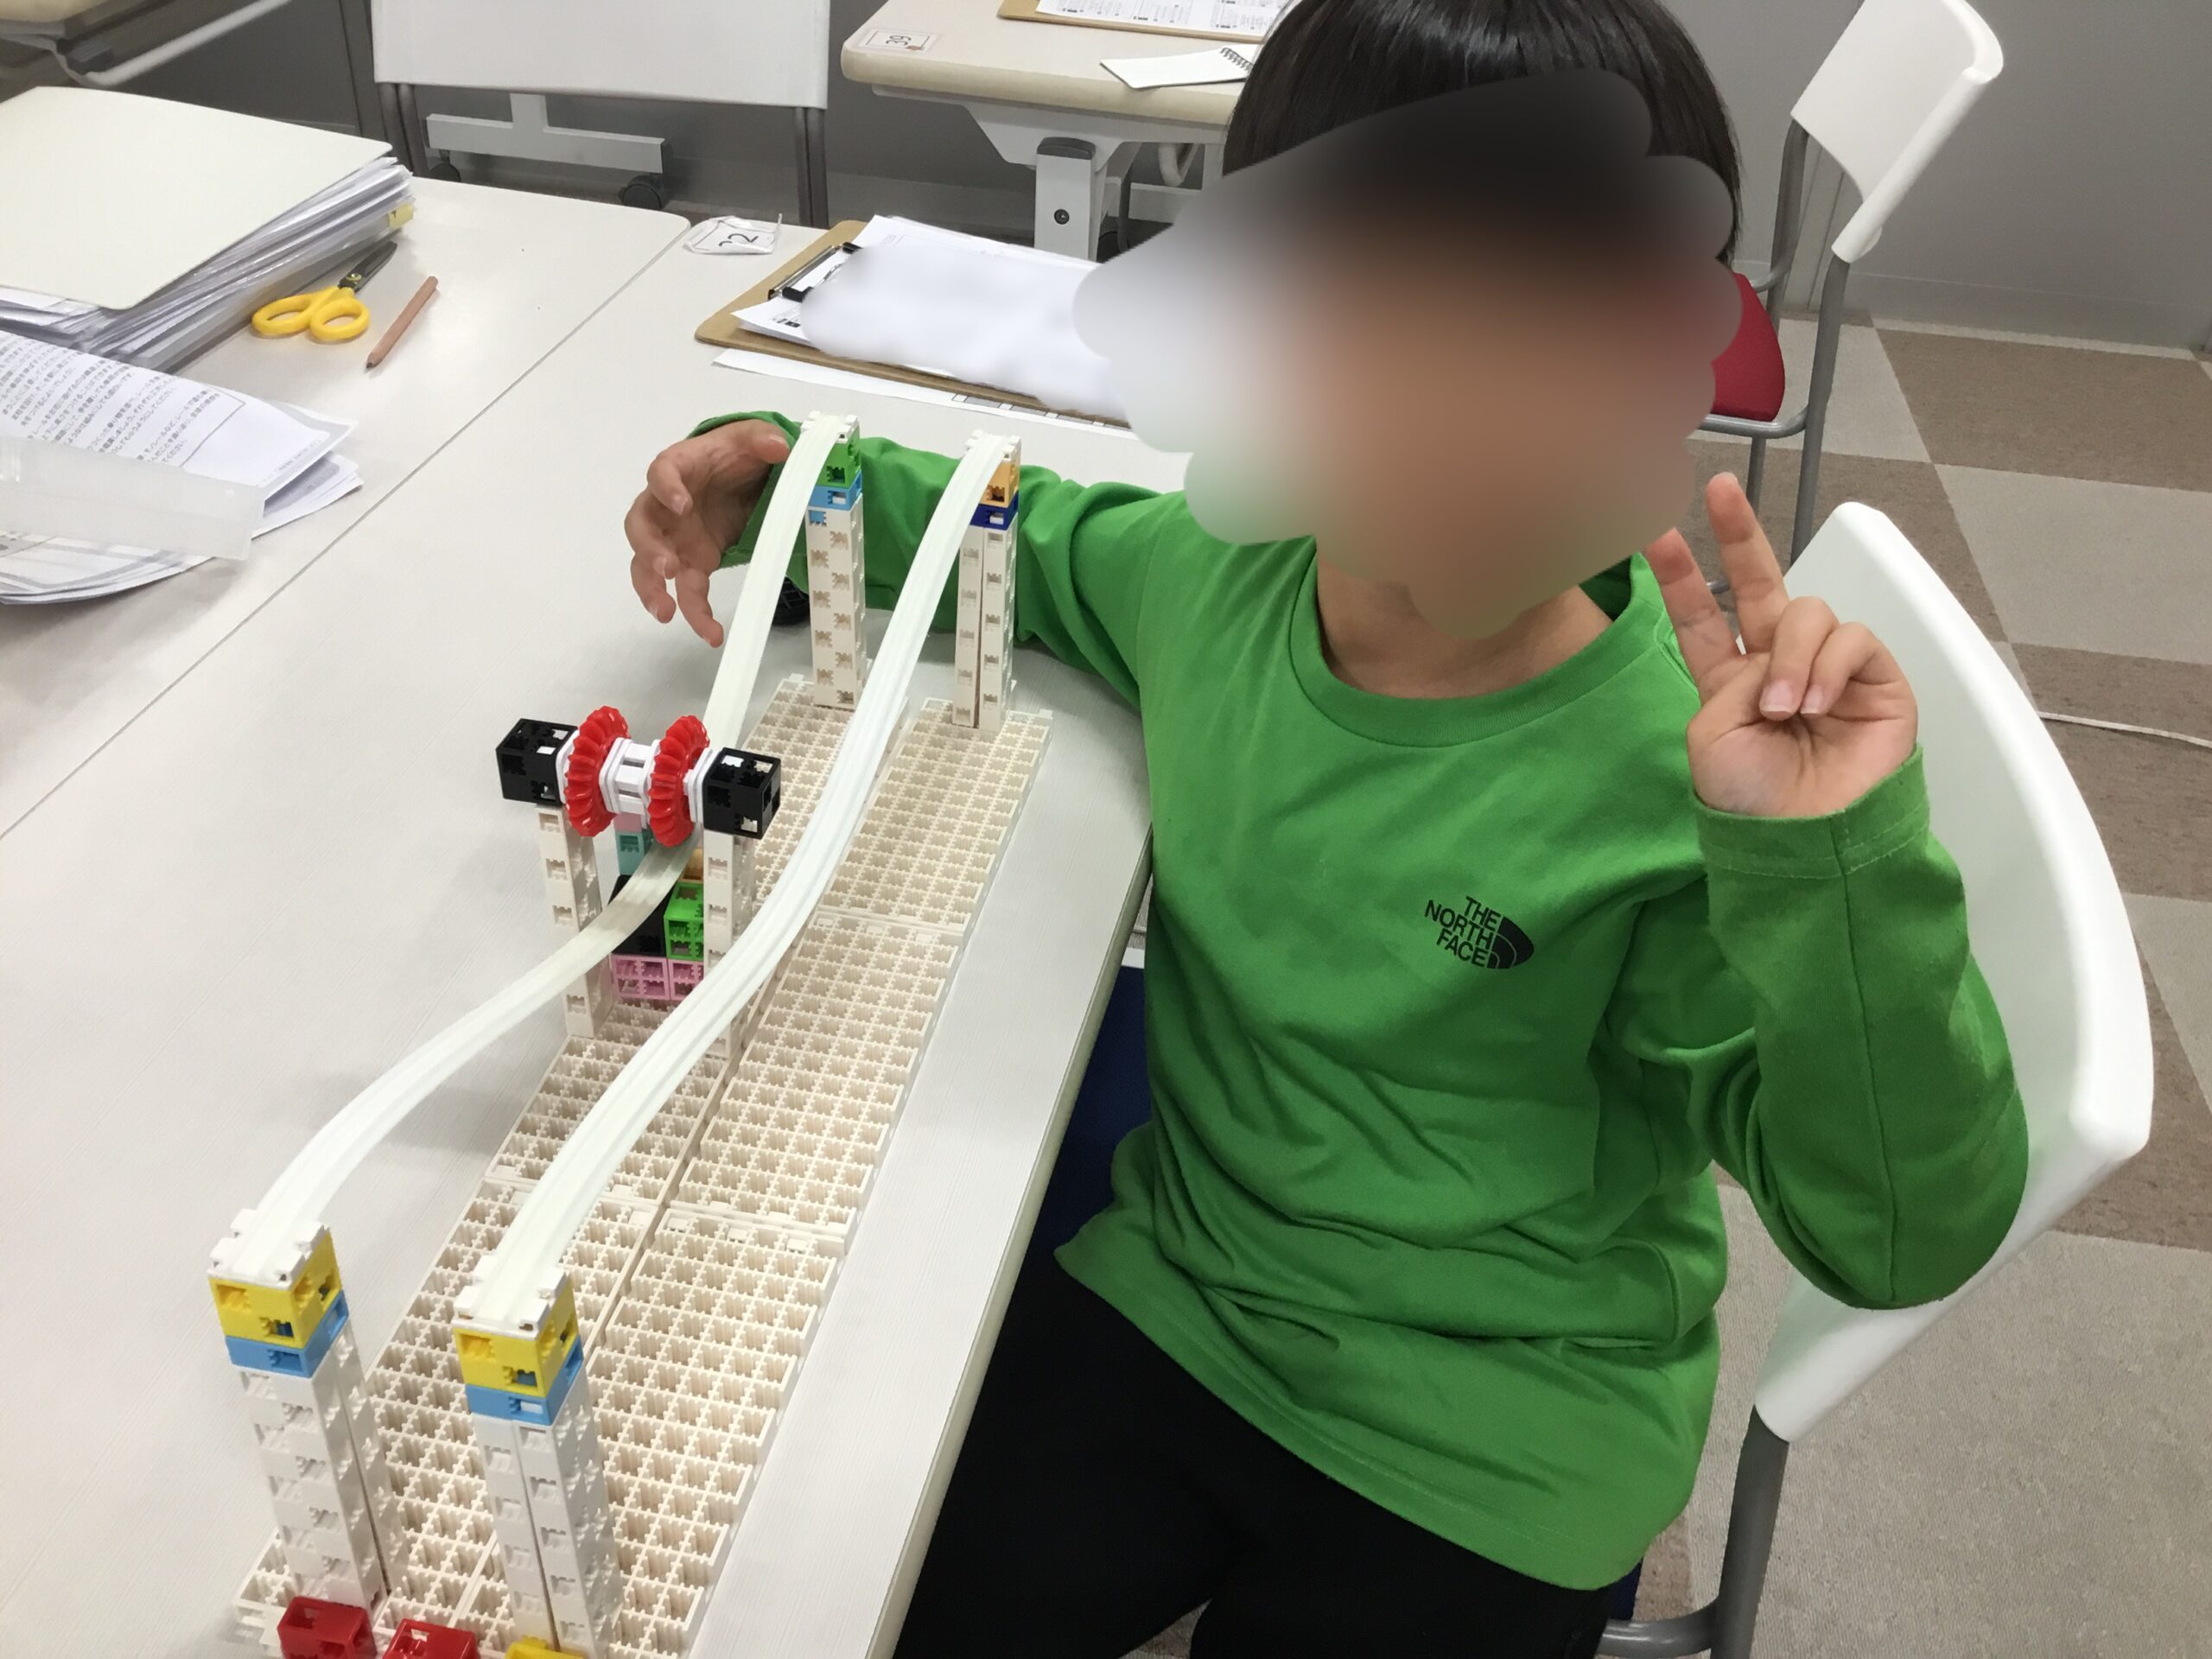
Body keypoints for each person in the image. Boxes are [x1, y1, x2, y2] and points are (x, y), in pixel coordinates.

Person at [623, 2, 2028, 1653]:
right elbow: (1035, 538)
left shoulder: (1674, 780)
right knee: (842, 1606)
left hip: (1506, 1431)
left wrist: (1835, 871)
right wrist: (794, 489)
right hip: (1188, 1294)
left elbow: (1894, 1231)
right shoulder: (1215, 577)